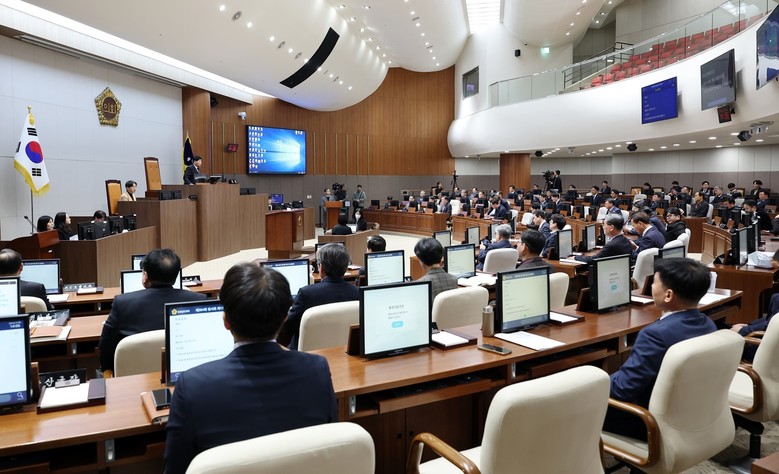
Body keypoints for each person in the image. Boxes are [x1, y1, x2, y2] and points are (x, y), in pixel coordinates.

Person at [164, 263, 337, 474]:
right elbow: (330, 445)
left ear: (225, 320)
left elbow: (175, 468)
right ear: (285, 318)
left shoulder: (192, 385)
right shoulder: (317, 369)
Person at [603, 258, 716, 439]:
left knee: (577, 401)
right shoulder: (708, 324)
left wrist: (597, 381)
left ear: (668, 295)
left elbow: (623, 389)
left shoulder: (655, 335)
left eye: (655, 283)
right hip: (689, 412)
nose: (651, 286)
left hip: (646, 421)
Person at [98, 249, 206, 373]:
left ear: (145, 276)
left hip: (133, 378)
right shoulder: (198, 300)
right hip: (184, 374)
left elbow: (106, 347)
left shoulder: (122, 303)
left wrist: (107, 373)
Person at [282, 243, 359, 350]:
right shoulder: (357, 293)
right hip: (342, 351)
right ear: (346, 268)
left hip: (306, 355)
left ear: (321, 267)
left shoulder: (307, 293)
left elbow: (287, 330)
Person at [731, 250, 779, 359]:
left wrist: (743, 330)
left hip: (769, 350)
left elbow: (770, 326)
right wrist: (749, 325)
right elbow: (771, 319)